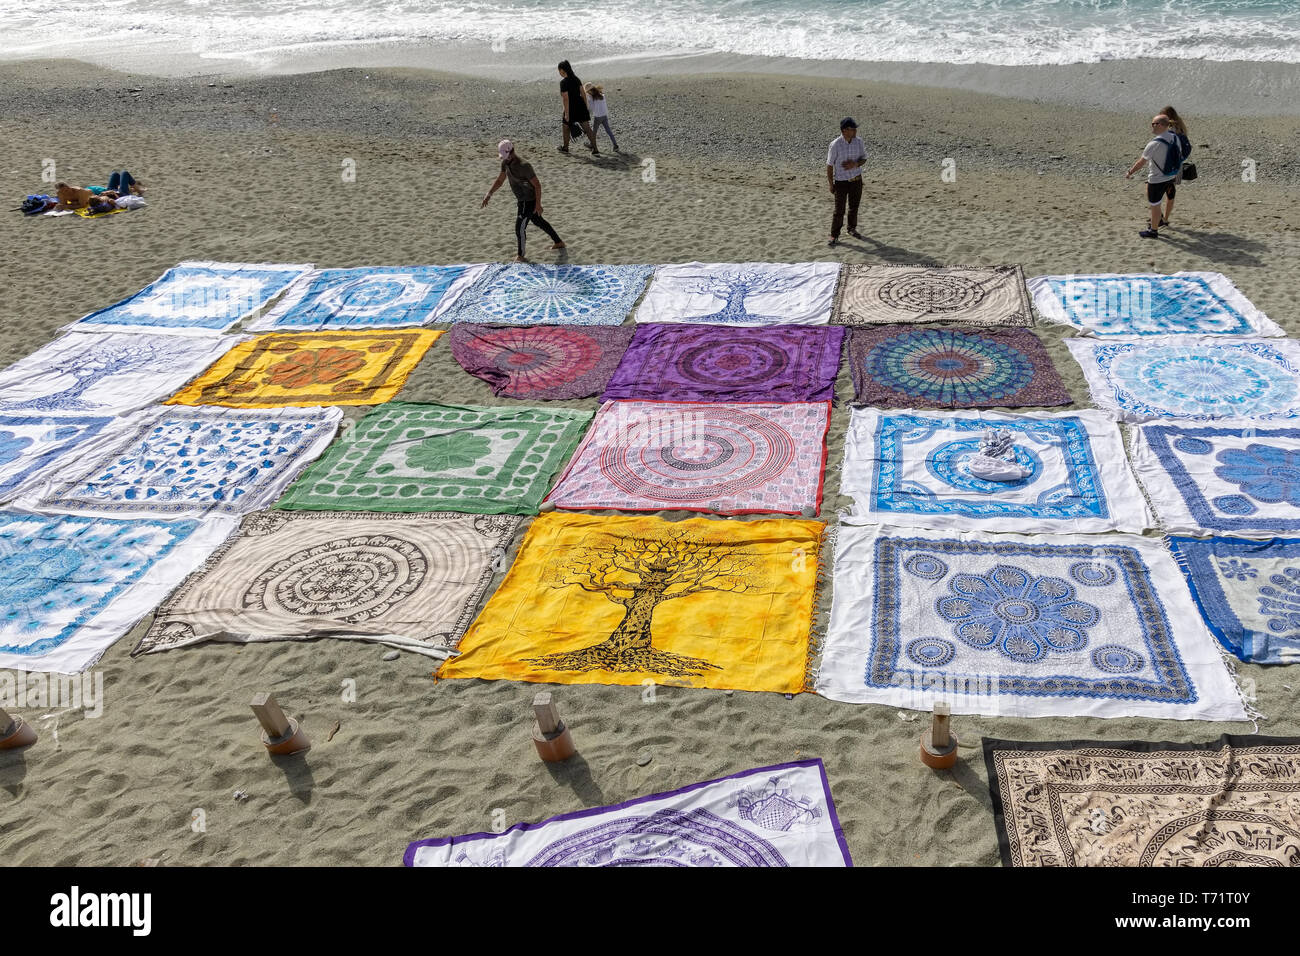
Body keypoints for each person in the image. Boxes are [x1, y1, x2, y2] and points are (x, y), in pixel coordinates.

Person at [482, 139, 566, 262]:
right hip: (521, 200)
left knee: (519, 228)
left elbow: (537, 185)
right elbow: (500, 180)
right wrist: (489, 193)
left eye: (506, 156)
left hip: (529, 200)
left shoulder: (524, 166)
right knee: (539, 221)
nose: (505, 159)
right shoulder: (505, 163)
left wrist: (538, 204)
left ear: (511, 151)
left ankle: (520, 256)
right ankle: (559, 242)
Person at [1125, 113, 1182, 239]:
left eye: (1153, 124)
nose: (1152, 127)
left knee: (1155, 204)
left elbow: (1141, 162)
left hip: (1157, 179)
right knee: (1164, 200)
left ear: (1161, 125)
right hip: (1170, 176)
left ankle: (1153, 230)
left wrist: (1130, 172)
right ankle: (1161, 220)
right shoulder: (1175, 138)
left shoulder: (1154, 143)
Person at [826, 117, 867, 246]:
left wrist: (855, 164)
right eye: (853, 128)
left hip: (856, 180)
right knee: (839, 210)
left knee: (854, 207)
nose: (855, 130)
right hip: (841, 182)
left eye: (855, 128)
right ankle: (834, 235)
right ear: (845, 130)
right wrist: (831, 184)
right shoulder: (835, 144)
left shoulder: (859, 142)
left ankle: (851, 229)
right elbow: (829, 165)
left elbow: (864, 159)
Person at [558, 60, 598, 155]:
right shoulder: (576, 79)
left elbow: (566, 99)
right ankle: (595, 149)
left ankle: (565, 147)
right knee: (587, 128)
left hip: (571, 107)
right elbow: (583, 93)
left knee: (565, 127)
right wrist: (586, 106)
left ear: (562, 70)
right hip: (580, 106)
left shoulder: (563, 82)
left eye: (559, 70)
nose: (559, 72)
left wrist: (567, 114)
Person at [584, 83, 619, 153]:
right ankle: (615, 145)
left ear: (590, 91)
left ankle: (592, 145)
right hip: (604, 115)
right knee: (608, 131)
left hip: (598, 117)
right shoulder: (602, 95)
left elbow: (590, 109)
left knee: (594, 133)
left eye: (587, 92)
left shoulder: (591, 98)